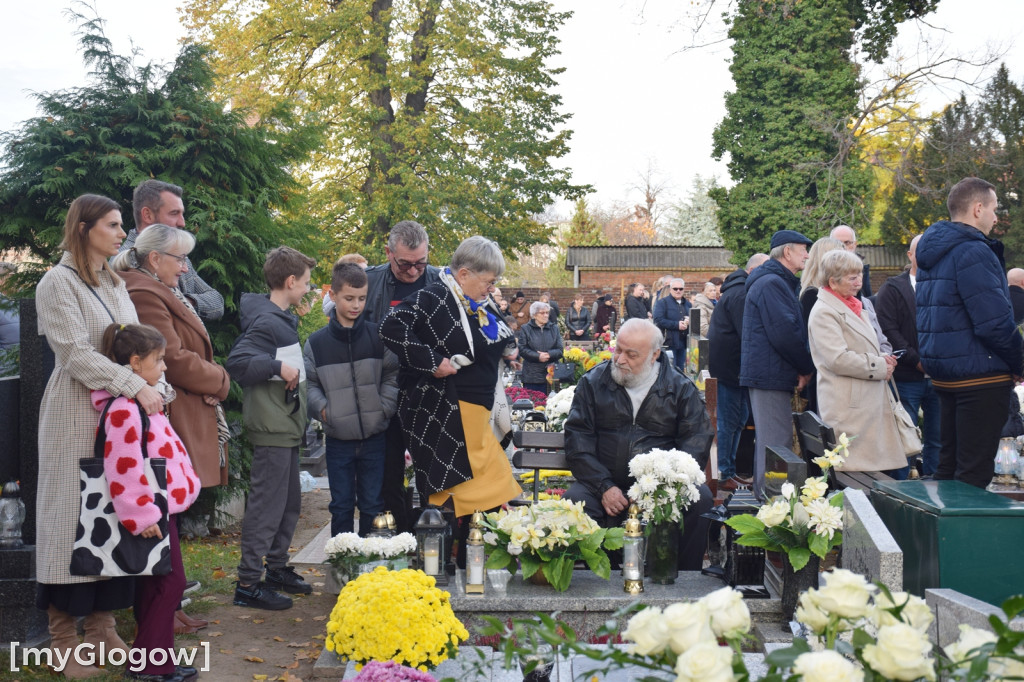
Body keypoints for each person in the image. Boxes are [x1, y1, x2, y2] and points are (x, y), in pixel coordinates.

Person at [34, 194, 162, 679]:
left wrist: (157, 384)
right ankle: (63, 640)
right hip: (73, 415)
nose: (121, 232)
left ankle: (104, 630)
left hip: (120, 422)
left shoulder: (115, 282)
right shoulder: (56, 283)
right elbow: (74, 355)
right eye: (112, 224)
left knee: (110, 517)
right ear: (84, 228)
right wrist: (136, 385)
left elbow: (139, 344)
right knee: (70, 525)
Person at [111, 224, 231, 634]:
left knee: (172, 520)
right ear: (155, 258)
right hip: (169, 411)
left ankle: (169, 607)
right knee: (164, 519)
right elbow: (172, 358)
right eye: (179, 259)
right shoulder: (145, 292)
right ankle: (160, 618)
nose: (185, 268)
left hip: (176, 408)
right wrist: (221, 381)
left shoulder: (160, 286)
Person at [380, 236, 522, 559]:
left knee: (485, 495)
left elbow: (500, 337)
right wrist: (432, 361)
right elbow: (390, 327)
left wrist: (508, 350)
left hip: (475, 418)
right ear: (464, 274)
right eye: (488, 281)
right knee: (448, 497)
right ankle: (441, 570)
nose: (491, 288)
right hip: (443, 416)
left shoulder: (480, 305)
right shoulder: (434, 296)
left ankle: (469, 566)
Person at [562, 319, 714, 570]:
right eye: (618, 350)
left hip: (661, 485)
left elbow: (695, 445)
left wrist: (658, 490)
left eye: (631, 355)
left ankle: (685, 581)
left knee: (701, 500)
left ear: (655, 355)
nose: (620, 359)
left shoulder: (680, 388)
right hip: (602, 481)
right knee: (575, 501)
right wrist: (604, 487)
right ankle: (599, 583)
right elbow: (578, 441)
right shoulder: (593, 382)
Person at [95, 323, 201, 682]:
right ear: (136, 364)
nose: (165, 367)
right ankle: (151, 666)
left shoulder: (141, 401)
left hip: (160, 508)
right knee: (168, 584)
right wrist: (141, 515)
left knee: (157, 584)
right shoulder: (125, 408)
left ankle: (157, 659)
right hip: (150, 513)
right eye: (159, 360)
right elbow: (122, 467)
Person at [916, 177, 1023, 489]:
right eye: (993, 209)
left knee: (949, 469)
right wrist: (1020, 362)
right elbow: (994, 322)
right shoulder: (973, 251)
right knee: (973, 476)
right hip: (980, 377)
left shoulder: (933, 254)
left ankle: (942, 539)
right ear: (978, 209)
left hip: (947, 375)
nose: (995, 217)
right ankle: (963, 538)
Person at [226, 246, 317, 610]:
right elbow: (237, 361)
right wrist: (279, 369)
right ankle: (248, 583)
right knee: (268, 506)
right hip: (272, 429)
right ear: (291, 281)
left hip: (285, 427)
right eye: (306, 283)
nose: (309, 290)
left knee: (288, 504)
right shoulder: (267, 321)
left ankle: (276, 569)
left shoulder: (278, 317)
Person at [304, 262, 399, 537]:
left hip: (374, 437)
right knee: (341, 506)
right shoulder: (317, 343)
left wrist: (384, 408)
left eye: (361, 298)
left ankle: (370, 567)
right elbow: (310, 383)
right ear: (332, 296)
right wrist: (323, 409)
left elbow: (392, 374)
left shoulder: (377, 336)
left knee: (372, 504)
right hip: (337, 440)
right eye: (349, 298)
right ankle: (341, 566)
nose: (356, 305)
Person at [808, 250, 906, 474]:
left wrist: (883, 358)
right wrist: (880, 365)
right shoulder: (824, 311)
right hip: (848, 407)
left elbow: (867, 347)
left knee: (875, 473)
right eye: (852, 277)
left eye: (859, 275)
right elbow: (838, 359)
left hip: (867, 403)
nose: (859, 282)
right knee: (854, 475)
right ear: (833, 281)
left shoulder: (853, 306)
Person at [741, 229, 815, 500]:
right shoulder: (772, 283)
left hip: (768, 373)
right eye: (803, 249)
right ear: (787, 252)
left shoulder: (774, 281)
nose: (807, 254)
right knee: (776, 444)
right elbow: (784, 333)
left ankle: (768, 501)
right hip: (769, 374)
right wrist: (805, 366)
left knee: (771, 442)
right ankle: (772, 505)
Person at [875, 235, 941, 479]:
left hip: (940, 378)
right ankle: (901, 495)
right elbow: (888, 330)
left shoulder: (946, 286)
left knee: (939, 440)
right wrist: (917, 360)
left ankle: (938, 492)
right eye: (919, 251)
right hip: (906, 377)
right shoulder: (892, 288)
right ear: (910, 255)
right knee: (904, 439)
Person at [122, 180, 224, 322]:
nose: (182, 222)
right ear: (147, 215)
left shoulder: (176, 252)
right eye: (174, 213)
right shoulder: (128, 261)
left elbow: (217, 302)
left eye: (182, 214)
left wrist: (186, 302)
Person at [708, 254, 768, 491]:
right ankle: (724, 473)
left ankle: (729, 471)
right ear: (753, 270)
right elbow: (749, 335)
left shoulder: (737, 290)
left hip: (732, 368)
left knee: (738, 419)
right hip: (730, 369)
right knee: (730, 422)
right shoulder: (741, 294)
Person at [517, 301, 564, 395]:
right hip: (532, 376)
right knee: (534, 404)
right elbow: (522, 349)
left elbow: (560, 350)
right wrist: (537, 356)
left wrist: (549, 354)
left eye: (547, 313)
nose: (546, 315)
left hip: (551, 376)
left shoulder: (554, 328)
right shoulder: (525, 329)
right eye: (542, 313)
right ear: (534, 315)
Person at [652, 278, 690, 371]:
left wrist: (690, 321)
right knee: (669, 371)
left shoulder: (688, 304)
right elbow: (657, 320)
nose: (678, 291)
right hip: (668, 343)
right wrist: (676, 325)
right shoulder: (663, 303)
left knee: (680, 371)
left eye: (680, 289)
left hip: (684, 343)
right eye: (675, 289)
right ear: (670, 290)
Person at [831, 224, 872, 298]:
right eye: (838, 243)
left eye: (847, 243)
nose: (842, 247)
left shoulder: (863, 270)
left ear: (855, 244)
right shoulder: (823, 271)